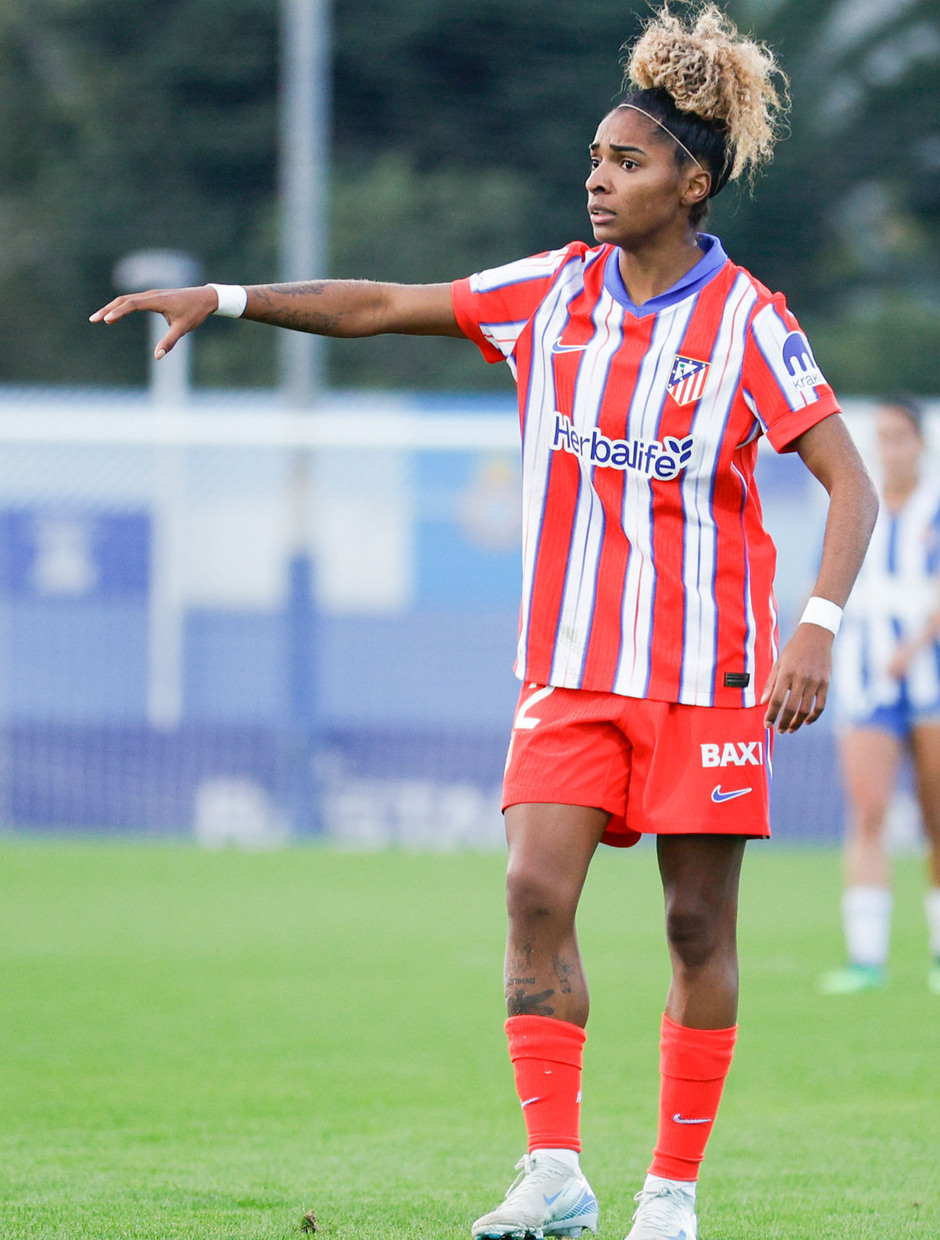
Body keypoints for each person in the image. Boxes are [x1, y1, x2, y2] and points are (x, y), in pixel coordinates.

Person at [91, 5, 878, 1237]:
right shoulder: (549, 294)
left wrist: (816, 624)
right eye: (595, 158)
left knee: (692, 922)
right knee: (530, 891)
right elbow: (375, 307)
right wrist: (230, 296)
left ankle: (670, 1193)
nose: (597, 179)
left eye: (625, 161)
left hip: (705, 675)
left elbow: (850, 480)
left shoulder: (751, 324)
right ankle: (555, 1170)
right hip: (567, 669)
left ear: (692, 179)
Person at [821, 397, 940, 996]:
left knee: (935, 816)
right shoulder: (856, 504)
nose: (891, 448)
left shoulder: (935, 510)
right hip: (866, 679)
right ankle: (866, 958)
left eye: (901, 437)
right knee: (866, 811)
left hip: (930, 680)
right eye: (882, 437)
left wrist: (916, 645)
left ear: (920, 443)